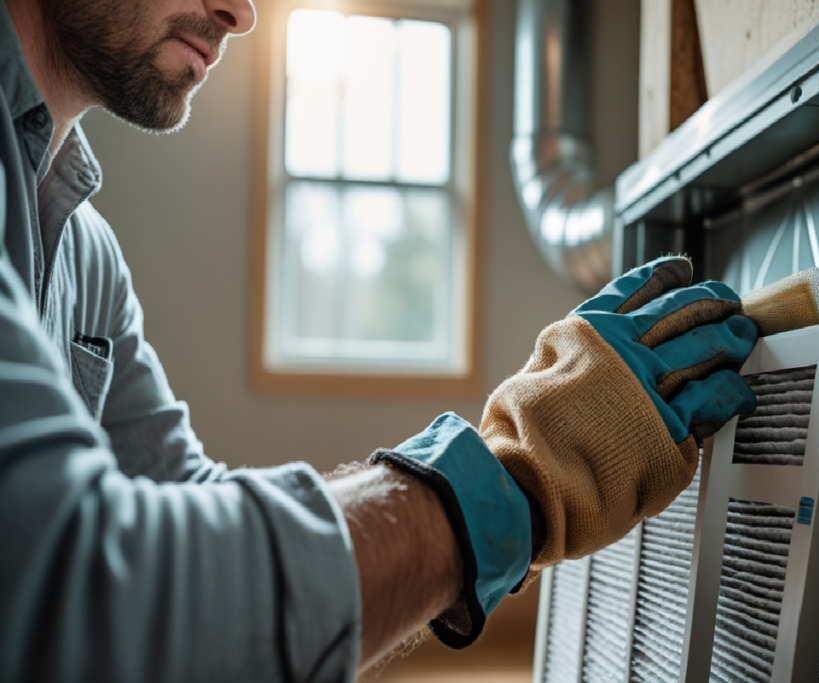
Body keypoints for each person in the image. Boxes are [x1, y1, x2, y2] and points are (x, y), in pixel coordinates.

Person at [0, 0, 760, 680]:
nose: (241, 13)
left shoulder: (84, 252)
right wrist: (519, 478)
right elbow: (80, 602)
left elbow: (183, 505)